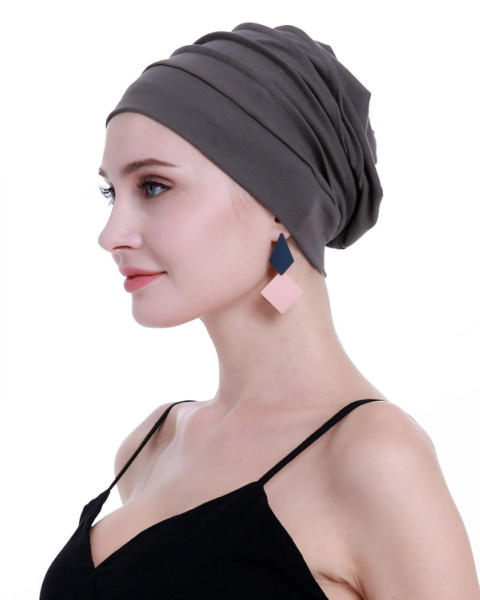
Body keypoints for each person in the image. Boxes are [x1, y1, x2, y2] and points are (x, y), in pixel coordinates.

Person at [40, 23, 480, 600]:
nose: (111, 234)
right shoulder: (151, 445)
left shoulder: (374, 457)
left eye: (153, 186)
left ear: (279, 201)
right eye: (110, 193)